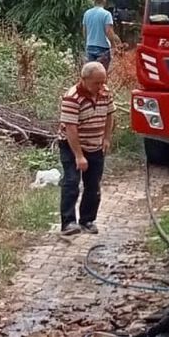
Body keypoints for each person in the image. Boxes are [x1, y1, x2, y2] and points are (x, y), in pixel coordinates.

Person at [57, 62, 115, 235]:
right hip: (71, 145)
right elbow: (70, 129)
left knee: (93, 184)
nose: (100, 86)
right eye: (96, 83)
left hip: (95, 144)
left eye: (102, 82)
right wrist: (79, 156)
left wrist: (106, 138)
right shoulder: (72, 98)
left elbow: (110, 115)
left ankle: (87, 220)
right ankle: (68, 222)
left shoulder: (105, 92)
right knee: (72, 181)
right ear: (84, 80)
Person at [82, 0, 122, 70]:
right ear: (104, 2)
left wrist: (87, 43)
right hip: (103, 48)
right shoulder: (106, 14)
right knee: (101, 74)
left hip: (90, 47)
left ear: (94, 2)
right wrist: (114, 46)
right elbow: (108, 31)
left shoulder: (87, 13)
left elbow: (84, 31)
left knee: (90, 73)